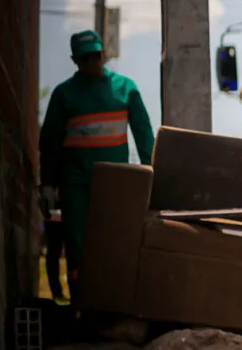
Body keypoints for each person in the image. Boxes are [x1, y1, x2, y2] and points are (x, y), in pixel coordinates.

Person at [38, 30, 155, 302]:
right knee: (77, 246)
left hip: (114, 181)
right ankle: (81, 304)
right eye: (85, 57)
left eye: (96, 55)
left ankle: (111, 302)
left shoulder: (125, 89)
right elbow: (50, 144)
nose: (92, 62)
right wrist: (46, 185)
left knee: (113, 241)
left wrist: (152, 175)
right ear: (75, 60)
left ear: (104, 54)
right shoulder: (64, 95)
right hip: (75, 182)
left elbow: (144, 134)